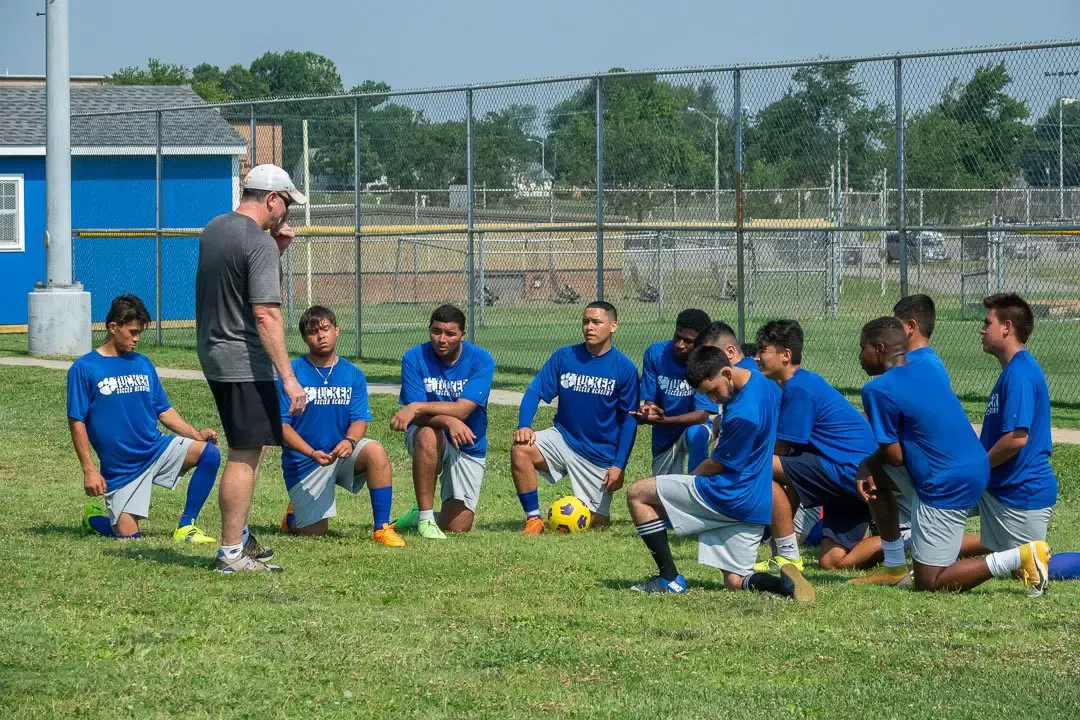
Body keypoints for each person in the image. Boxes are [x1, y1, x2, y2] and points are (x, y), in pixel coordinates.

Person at [855, 317, 1049, 594]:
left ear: (881, 348)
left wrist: (867, 462)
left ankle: (1020, 556)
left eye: (863, 348)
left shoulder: (876, 390)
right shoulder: (928, 372)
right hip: (977, 468)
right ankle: (895, 567)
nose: (860, 356)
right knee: (877, 478)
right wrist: (869, 465)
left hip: (945, 481)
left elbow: (895, 457)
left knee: (930, 581)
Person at [625, 345, 813, 601]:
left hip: (728, 495)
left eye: (713, 391)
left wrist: (687, 480)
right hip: (755, 503)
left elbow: (715, 465)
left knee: (638, 493)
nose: (713, 399)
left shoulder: (741, 416)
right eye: (706, 395)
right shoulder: (760, 379)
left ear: (726, 371)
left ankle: (668, 578)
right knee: (735, 582)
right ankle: (786, 587)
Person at [195, 164, 309, 573]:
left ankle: (241, 536)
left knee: (252, 445)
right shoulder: (256, 242)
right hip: (242, 358)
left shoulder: (215, 229)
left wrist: (274, 251)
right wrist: (290, 379)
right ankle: (230, 553)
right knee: (244, 453)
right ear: (272, 199)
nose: (285, 215)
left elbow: (234, 282)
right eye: (286, 206)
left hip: (213, 352)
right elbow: (264, 314)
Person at [69, 295, 220, 542]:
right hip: (122, 470)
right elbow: (77, 421)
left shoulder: (142, 363)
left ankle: (186, 526)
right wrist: (89, 470)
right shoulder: (84, 368)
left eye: (139, 332)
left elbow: (163, 410)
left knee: (209, 454)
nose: (137, 338)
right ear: (112, 327)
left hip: (155, 449)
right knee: (129, 537)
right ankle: (95, 519)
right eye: (132, 332)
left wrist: (195, 435)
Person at [753, 320, 877, 571]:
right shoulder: (800, 384)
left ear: (786, 355)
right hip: (851, 480)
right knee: (832, 562)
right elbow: (795, 464)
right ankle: (900, 542)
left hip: (847, 471)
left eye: (763, 351)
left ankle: (786, 557)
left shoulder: (799, 388)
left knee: (759, 465)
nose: (756, 358)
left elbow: (781, 450)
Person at [278, 306, 404, 547]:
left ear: (337, 330)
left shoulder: (352, 374)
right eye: (313, 331)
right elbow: (282, 427)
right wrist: (311, 453)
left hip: (341, 452)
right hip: (306, 462)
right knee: (315, 532)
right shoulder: (292, 374)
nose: (321, 335)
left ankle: (382, 528)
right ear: (305, 338)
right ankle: (293, 516)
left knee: (375, 451)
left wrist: (350, 441)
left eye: (326, 329)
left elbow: (359, 419)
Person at [512, 301, 639, 533]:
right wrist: (524, 425)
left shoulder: (624, 368)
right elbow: (534, 392)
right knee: (521, 448)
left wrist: (619, 465)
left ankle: (584, 507)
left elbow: (630, 420)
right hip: (563, 438)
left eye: (596, 322)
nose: (589, 327)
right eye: (585, 321)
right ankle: (534, 519)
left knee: (595, 523)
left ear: (613, 326)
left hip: (599, 455)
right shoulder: (565, 357)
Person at [390, 305, 495, 539]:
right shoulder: (414, 357)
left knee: (458, 525)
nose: (442, 339)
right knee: (427, 434)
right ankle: (426, 519)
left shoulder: (482, 360)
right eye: (436, 331)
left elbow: (463, 409)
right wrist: (448, 421)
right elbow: (416, 418)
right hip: (429, 433)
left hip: (468, 442)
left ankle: (417, 515)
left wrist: (418, 406)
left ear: (462, 335)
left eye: (450, 334)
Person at [975, 293, 1057, 556]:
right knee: (942, 498)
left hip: (1020, 495)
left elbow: (1016, 439)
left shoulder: (1020, 374)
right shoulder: (1013, 370)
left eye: (988, 323)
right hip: (1002, 490)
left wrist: (977, 468)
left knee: (1029, 567)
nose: (982, 329)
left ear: (1007, 327)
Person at [634, 309, 716, 476]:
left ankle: (696, 485)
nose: (680, 344)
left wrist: (666, 420)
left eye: (688, 341)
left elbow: (701, 415)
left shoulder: (705, 361)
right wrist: (647, 411)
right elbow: (649, 401)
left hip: (693, 426)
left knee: (697, 433)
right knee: (663, 493)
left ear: (701, 342)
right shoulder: (655, 353)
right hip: (664, 436)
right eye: (677, 337)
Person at [893, 294, 950, 384]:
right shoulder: (936, 364)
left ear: (910, 326)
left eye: (896, 324)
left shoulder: (903, 365)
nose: (892, 329)